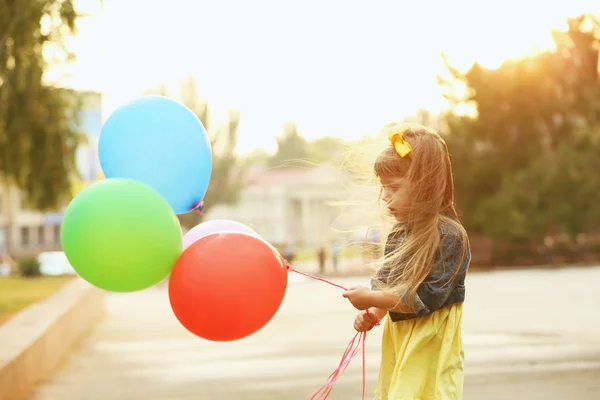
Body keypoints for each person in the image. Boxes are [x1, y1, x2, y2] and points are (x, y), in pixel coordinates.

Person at [342, 123, 471, 400]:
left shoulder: (449, 236)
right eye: (383, 187)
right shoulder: (400, 234)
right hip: (402, 339)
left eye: (394, 187)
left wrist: (372, 298)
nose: (386, 197)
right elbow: (389, 286)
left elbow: (421, 299)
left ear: (425, 184)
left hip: (431, 343)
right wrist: (372, 313)